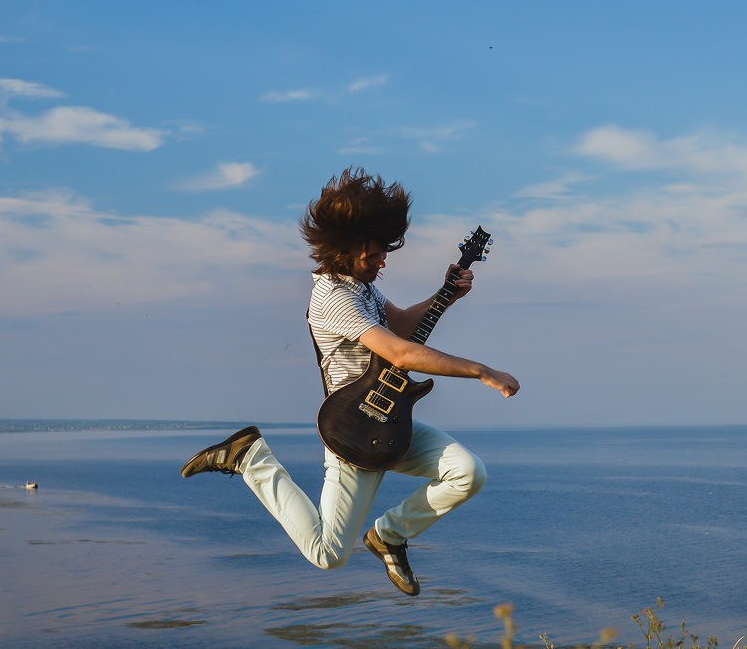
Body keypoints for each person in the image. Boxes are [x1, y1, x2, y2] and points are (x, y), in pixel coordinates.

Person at [180, 168, 520, 596]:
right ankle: (249, 457)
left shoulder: (361, 288)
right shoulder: (332, 296)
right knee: (328, 554)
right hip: (354, 430)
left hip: (392, 422)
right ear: (345, 248)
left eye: (384, 254)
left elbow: (397, 324)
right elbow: (398, 351)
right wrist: (481, 370)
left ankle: (389, 535)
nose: (382, 262)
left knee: (468, 472)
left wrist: (445, 295)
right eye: (373, 255)